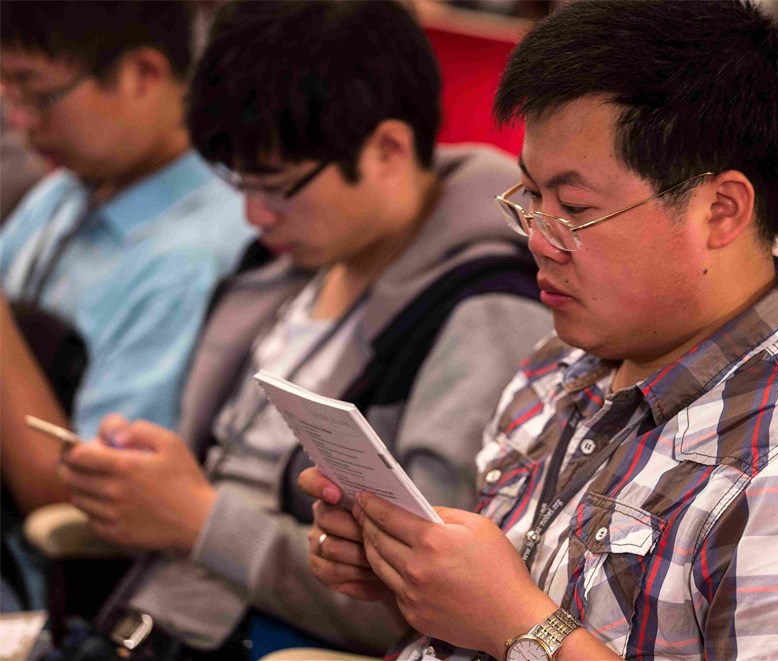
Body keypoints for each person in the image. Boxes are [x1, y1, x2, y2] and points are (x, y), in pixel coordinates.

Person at [300, 1, 778, 659]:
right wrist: (412, 579)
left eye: (574, 208)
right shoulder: (561, 363)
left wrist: (523, 627)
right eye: (531, 197)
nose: (538, 239)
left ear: (721, 210)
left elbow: (514, 619)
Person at [56, 1, 550, 658]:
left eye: (280, 187)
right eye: (242, 184)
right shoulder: (296, 263)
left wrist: (198, 519)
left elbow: (430, 589)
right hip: (145, 625)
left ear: (388, 149)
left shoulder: (485, 305)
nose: (256, 215)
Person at [0, 0, 254, 516]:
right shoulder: (66, 192)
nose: (22, 123)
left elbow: (81, 500)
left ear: (144, 74)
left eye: (42, 94)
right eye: (10, 95)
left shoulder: (198, 256)